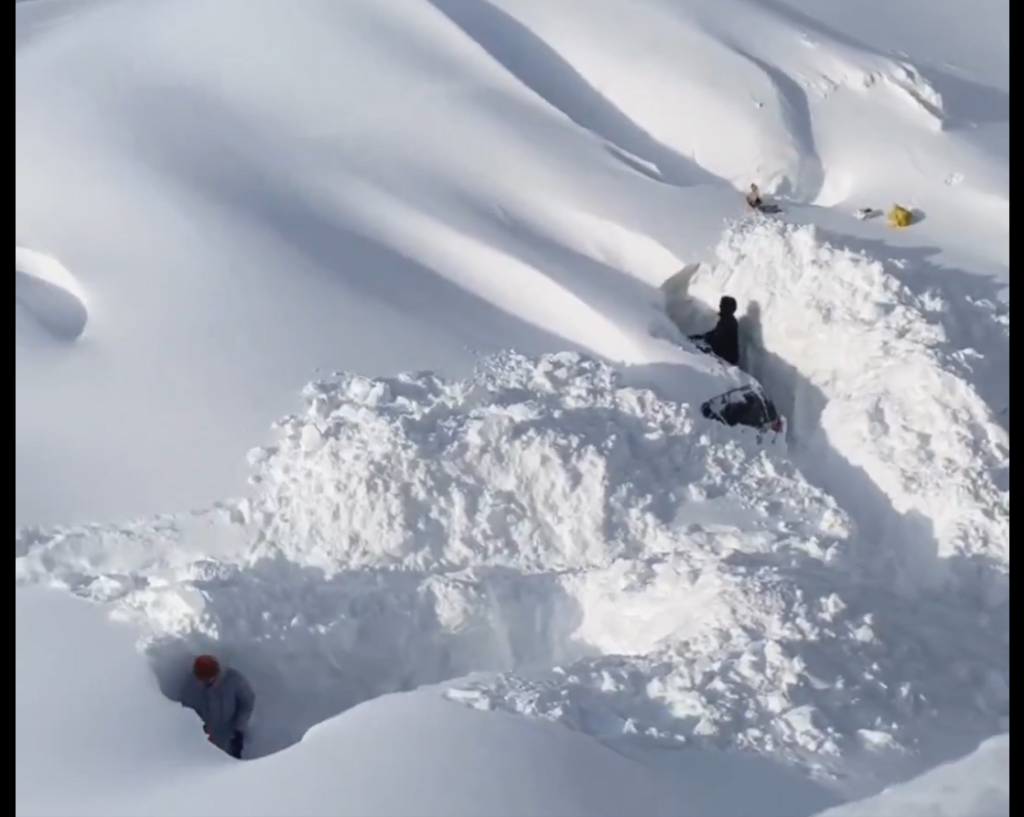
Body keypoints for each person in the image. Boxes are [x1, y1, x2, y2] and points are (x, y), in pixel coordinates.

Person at [179, 654, 255, 759]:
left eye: (210, 678)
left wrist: (238, 730)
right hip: (206, 740)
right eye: (202, 679)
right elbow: (187, 710)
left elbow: (247, 703)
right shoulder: (191, 686)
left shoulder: (233, 679)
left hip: (231, 736)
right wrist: (200, 730)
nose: (206, 682)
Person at [689, 296, 740, 366]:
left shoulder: (728, 322)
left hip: (727, 359)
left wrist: (704, 340)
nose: (720, 307)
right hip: (727, 356)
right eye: (721, 305)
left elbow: (717, 336)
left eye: (723, 305)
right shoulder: (728, 320)